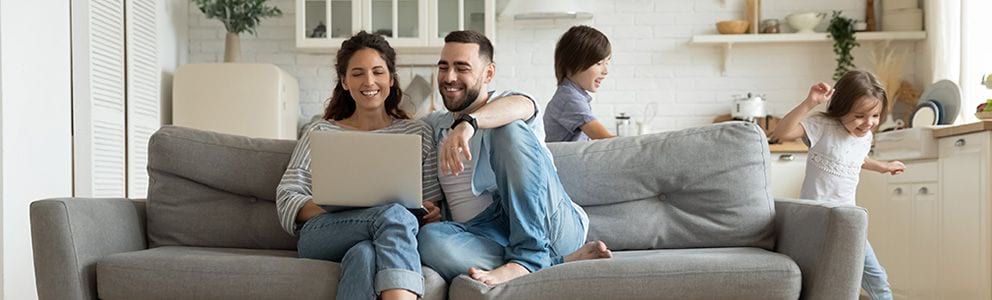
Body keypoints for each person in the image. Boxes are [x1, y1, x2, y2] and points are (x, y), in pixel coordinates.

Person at [416, 30, 612, 287]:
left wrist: (469, 123)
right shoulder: (434, 125)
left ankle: (529, 256)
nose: (449, 77)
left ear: (488, 74)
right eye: (444, 67)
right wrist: (431, 208)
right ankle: (554, 261)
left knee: (508, 127)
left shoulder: (509, 102)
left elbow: (522, 106)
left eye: (461, 68)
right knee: (428, 240)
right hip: (485, 232)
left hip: (548, 221)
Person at [275, 31, 443, 300]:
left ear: (390, 78)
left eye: (378, 71)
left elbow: (432, 202)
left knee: (364, 254)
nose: (369, 81)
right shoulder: (320, 131)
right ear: (344, 81)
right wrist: (338, 202)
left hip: (388, 236)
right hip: (324, 233)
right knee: (394, 215)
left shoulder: (418, 133)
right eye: (357, 73)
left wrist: (432, 210)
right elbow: (286, 198)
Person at [770, 70, 905, 300]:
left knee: (877, 280)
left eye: (875, 116)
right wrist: (809, 102)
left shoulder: (865, 136)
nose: (868, 123)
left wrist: (882, 166)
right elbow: (781, 133)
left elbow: (855, 158)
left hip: (848, 221)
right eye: (860, 116)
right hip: (816, 220)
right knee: (819, 282)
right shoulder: (822, 125)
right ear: (841, 108)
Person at [544, 25, 614, 142]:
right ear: (572, 64)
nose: (605, 71)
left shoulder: (573, 95)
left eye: (607, 62)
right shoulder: (570, 99)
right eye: (599, 63)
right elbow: (607, 140)